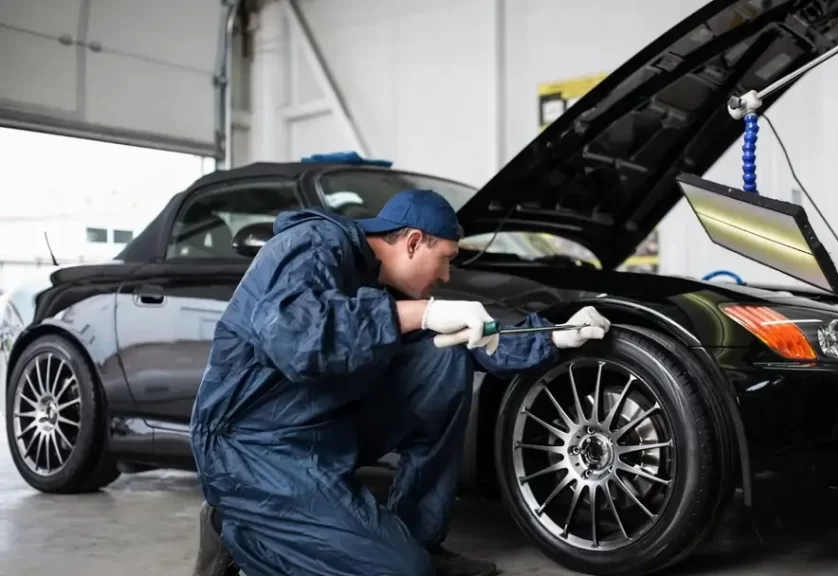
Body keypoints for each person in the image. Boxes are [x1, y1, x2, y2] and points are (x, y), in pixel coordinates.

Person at [189, 188, 611, 576]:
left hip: (317, 423)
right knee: (398, 572)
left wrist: (554, 335)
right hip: (248, 445)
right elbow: (295, 337)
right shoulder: (314, 243)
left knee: (444, 353)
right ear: (412, 242)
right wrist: (421, 313)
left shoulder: (380, 281)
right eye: (445, 257)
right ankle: (236, 529)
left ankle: (420, 539)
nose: (446, 274)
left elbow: (481, 339)